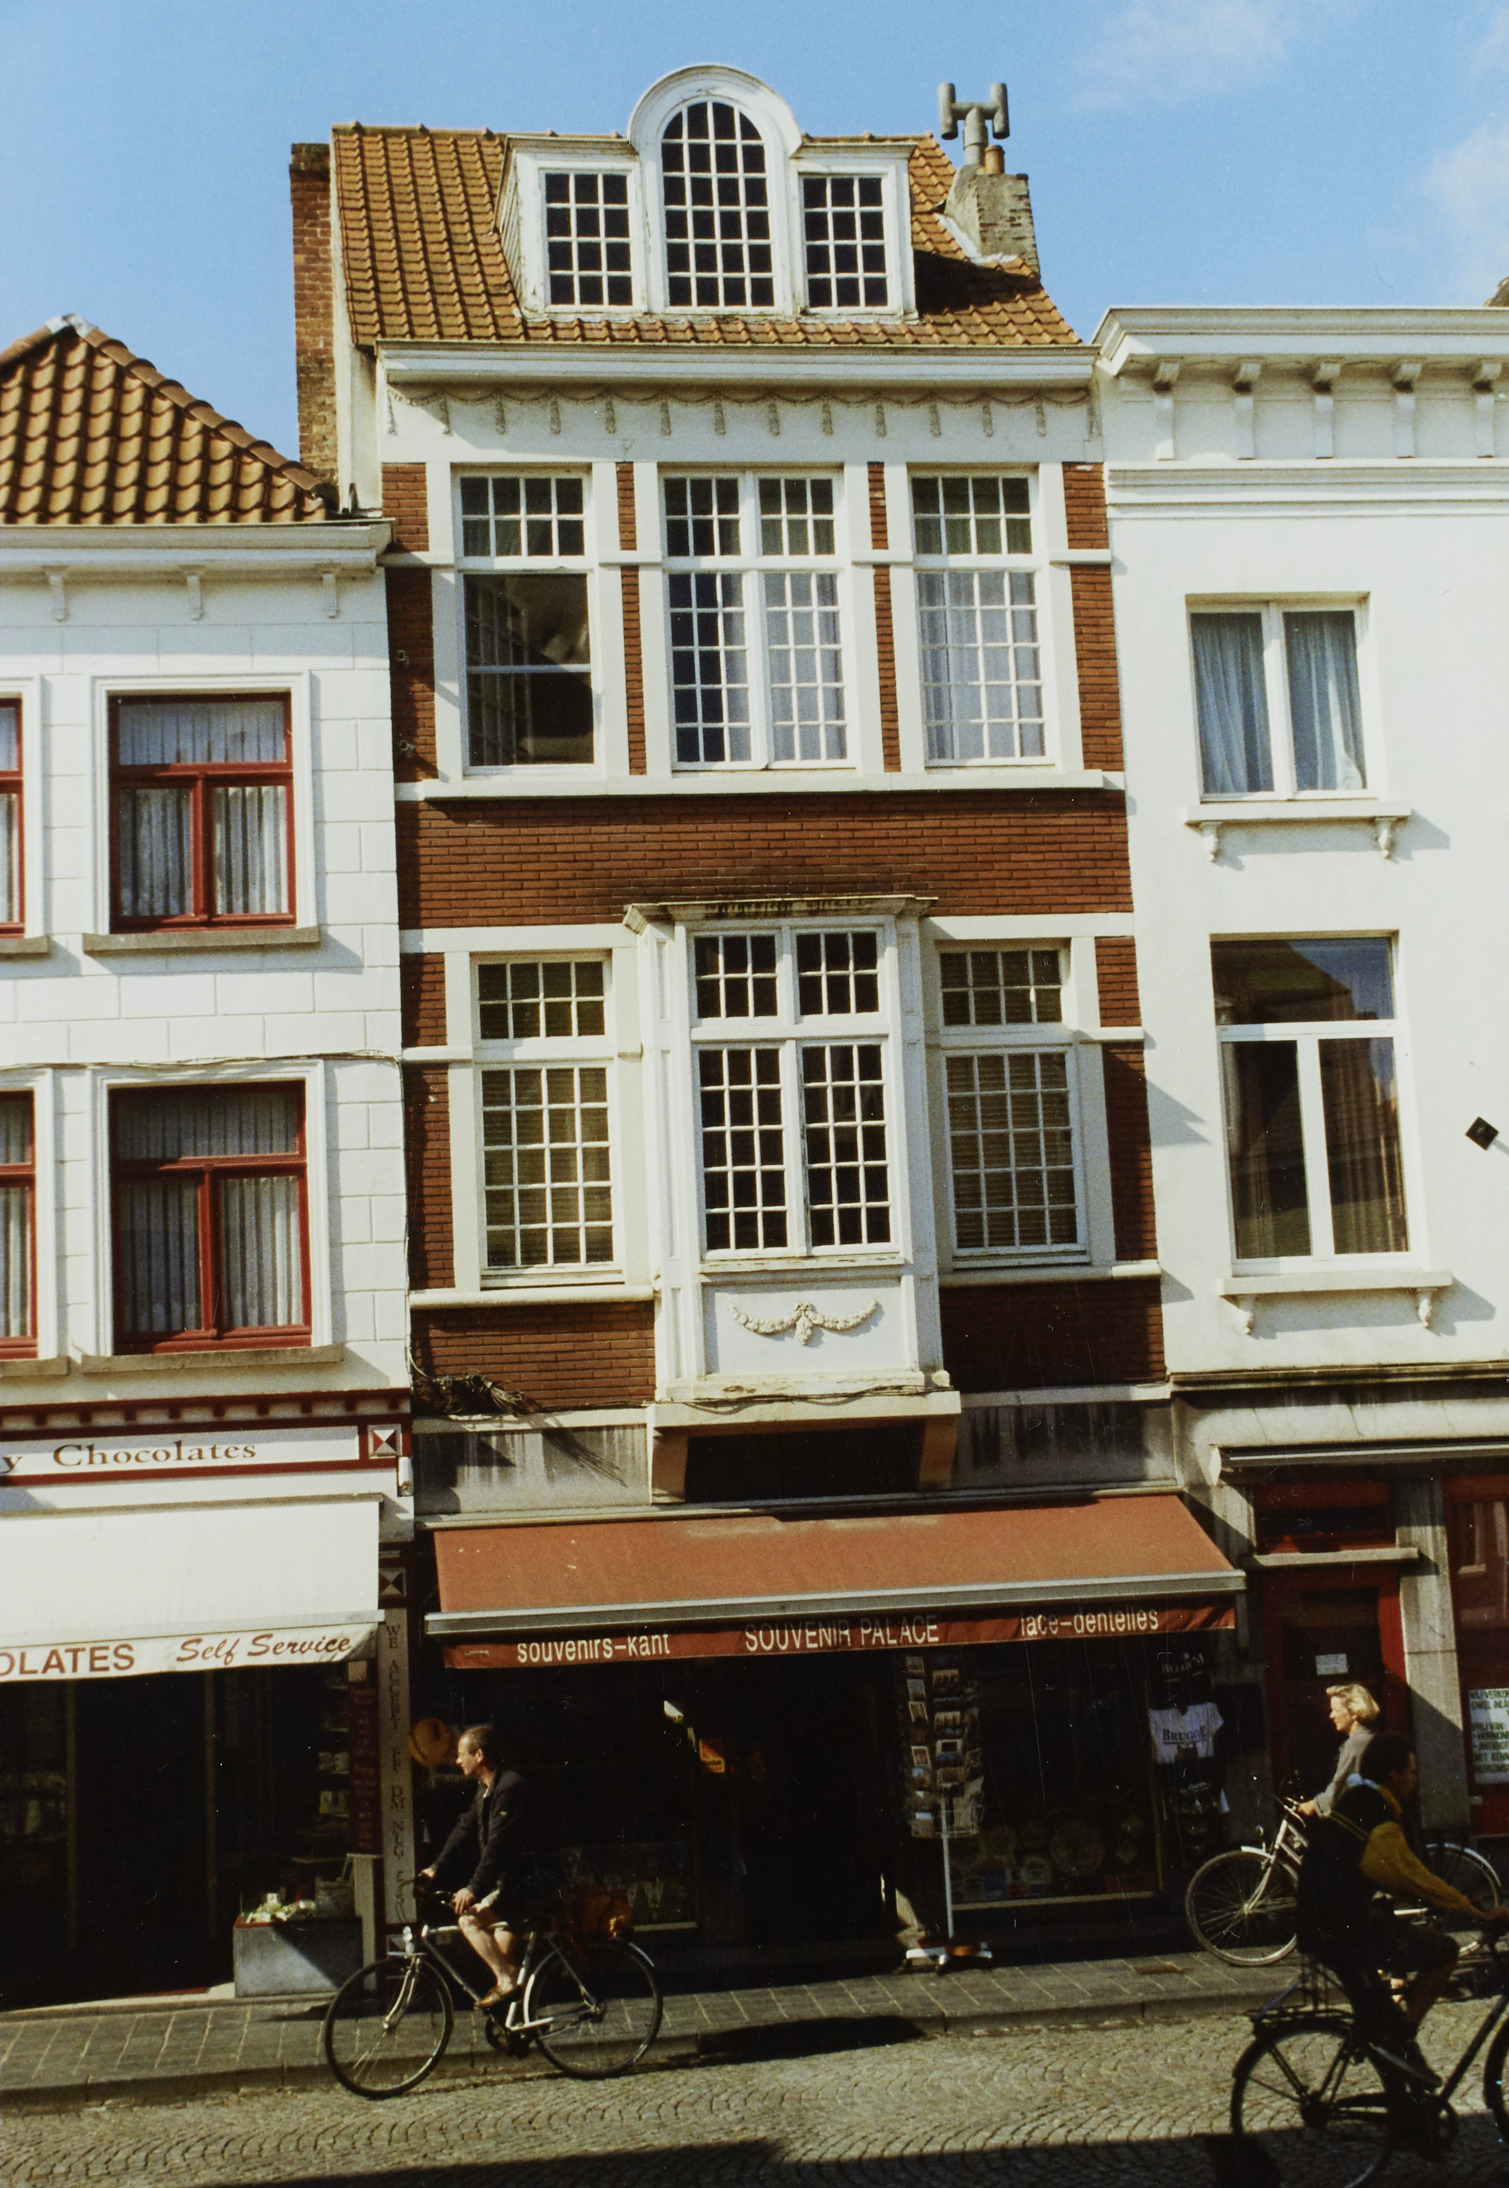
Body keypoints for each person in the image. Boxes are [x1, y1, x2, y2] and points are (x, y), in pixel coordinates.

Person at [1296, 1730, 1509, 2083]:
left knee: (1382, 2019)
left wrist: (1452, 1902)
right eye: (1412, 1772)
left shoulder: (1362, 1801)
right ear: (1392, 1775)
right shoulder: (1378, 1815)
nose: (1415, 1779)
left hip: (1334, 1923)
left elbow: (1398, 1877)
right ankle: (1402, 2045)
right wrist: (1474, 1911)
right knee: (1443, 1951)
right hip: (1340, 1931)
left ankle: (1398, 2060)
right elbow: (1409, 1877)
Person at [420, 1723, 539, 2010]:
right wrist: (435, 1868)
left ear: (479, 1755)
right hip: (513, 1886)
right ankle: (524, 2023)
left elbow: (498, 1845)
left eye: (461, 1754)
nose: (457, 1761)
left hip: (529, 1887)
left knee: (468, 1920)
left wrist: (474, 1888)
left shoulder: (508, 1788)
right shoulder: (486, 1789)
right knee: (502, 1957)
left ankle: (508, 1985)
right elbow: (464, 1827)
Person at [1297, 1681, 1379, 1817]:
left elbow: (1340, 1788)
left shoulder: (1355, 1744)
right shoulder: (1369, 1737)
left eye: (1336, 1710)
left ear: (1354, 1712)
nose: (1331, 1715)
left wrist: (1314, 1805)